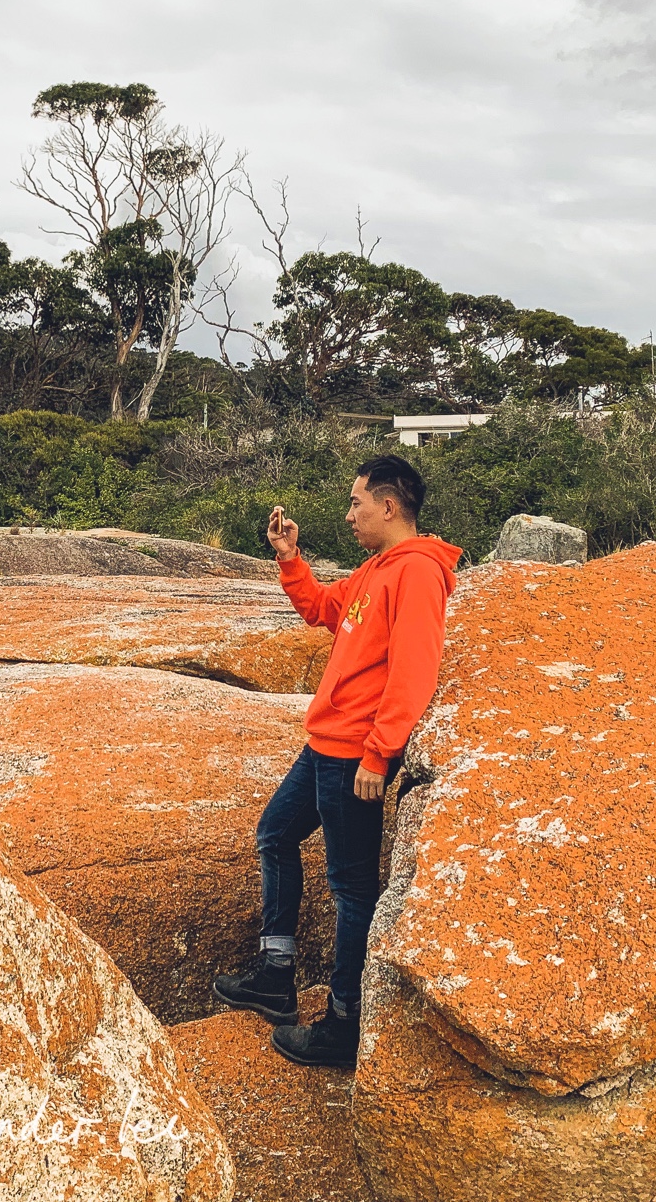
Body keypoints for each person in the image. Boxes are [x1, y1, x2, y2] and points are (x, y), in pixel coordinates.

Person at [211, 453, 462, 1068]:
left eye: (356, 503)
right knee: (275, 833)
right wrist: (290, 559)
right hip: (325, 743)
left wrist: (380, 755)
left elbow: (414, 672)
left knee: (352, 889)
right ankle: (276, 975)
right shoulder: (377, 568)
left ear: (388, 505)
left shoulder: (418, 573)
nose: (349, 514)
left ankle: (343, 1024)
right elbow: (326, 610)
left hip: (355, 754)